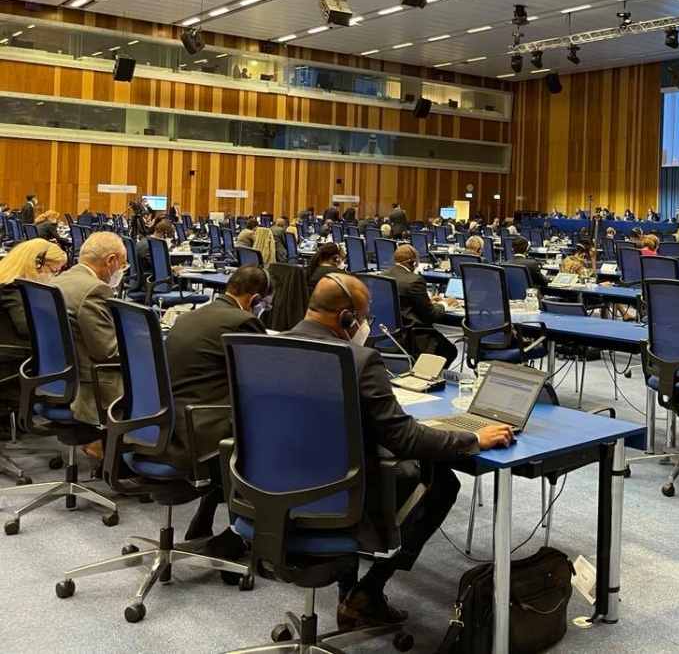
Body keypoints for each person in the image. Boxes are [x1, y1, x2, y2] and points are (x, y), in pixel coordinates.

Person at [285, 274, 511, 630]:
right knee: (441, 483)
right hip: (341, 492)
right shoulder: (359, 359)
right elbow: (404, 439)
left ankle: (350, 586)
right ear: (347, 318)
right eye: (364, 317)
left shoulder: (269, 347)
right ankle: (368, 590)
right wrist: (472, 439)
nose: (365, 325)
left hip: (281, 485)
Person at [163, 266, 270, 546]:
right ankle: (238, 534)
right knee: (268, 431)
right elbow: (261, 383)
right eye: (265, 305)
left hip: (166, 426)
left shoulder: (189, 316)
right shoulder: (244, 322)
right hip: (198, 434)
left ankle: (207, 513)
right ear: (255, 299)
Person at [52, 232, 127, 426]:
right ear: (111, 260)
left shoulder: (59, 280)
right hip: (94, 387)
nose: (122, 271)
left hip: (57, 379)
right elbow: (108, 352)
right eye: (123, 265)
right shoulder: (95, 290)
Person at [0, 240, 68, 403]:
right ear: (36, 264)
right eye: (53, 271)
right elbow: (27, 326)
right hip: (11, 361)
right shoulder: (10, 288)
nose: (53, 277)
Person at [384, 244, 459, 365]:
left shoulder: (383, 276)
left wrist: (426, 300)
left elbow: (401, 302)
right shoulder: (414, 281)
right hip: (413, 337)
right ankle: (429, 374)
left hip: (390, 334)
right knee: (450, 351)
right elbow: (432, 315)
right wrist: (445, 303)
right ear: (413, 263)